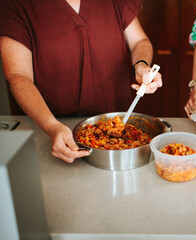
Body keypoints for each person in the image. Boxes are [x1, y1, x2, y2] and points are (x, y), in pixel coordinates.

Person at [0, 0, 162, 163]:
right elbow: (18, 75)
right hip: (53, 131)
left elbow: (139, 41)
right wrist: (51, 126)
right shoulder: (16, 5)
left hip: (119, 125)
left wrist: (141, 65)